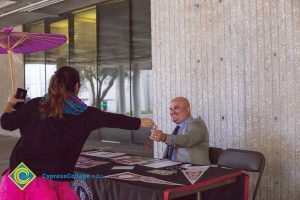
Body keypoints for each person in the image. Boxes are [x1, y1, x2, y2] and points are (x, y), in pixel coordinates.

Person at [0, 66, 154, 200]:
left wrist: (11, 103)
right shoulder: (85, 115)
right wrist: (139, 122)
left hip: (22, 171)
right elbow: (113, 119)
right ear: (76, 86)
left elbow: (6, 123)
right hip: (55, 175)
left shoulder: (35, 104)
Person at [150, 97, 210, 165]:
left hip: (194, 172)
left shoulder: (197, 124)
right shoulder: (179, 128)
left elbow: (188, 140)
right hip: (174, 168)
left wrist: (164, 137)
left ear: (188, 109)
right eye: (171, 109)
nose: (172, 112)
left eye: (176, 108)